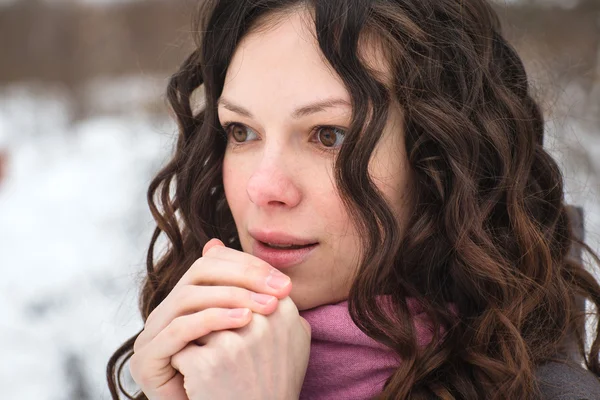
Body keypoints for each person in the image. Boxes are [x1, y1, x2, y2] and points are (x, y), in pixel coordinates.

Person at [107, 0, 600, 398]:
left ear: (439, 159)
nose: (263, 187)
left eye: (329, 136)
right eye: (242, 131)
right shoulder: (195, 369)